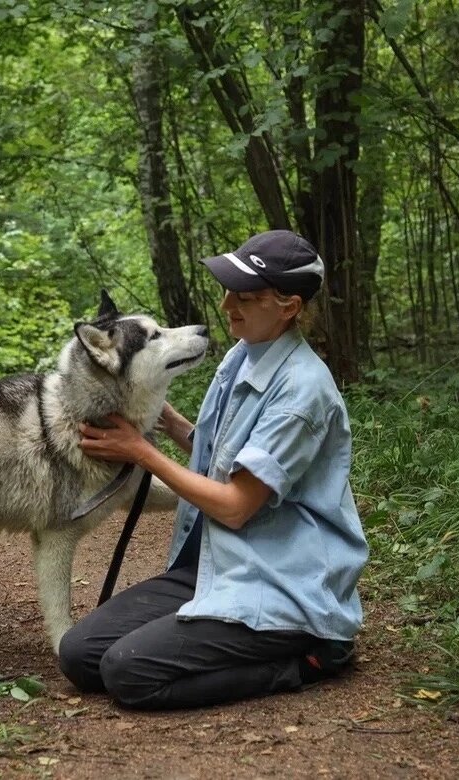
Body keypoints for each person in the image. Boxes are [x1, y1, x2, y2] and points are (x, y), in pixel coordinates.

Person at [58, 229, 369, 711]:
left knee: (128, 672)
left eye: (246, 297)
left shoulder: (302, 392)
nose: (227, 306)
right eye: (228, 291)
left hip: (279, 584)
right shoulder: (243, 354)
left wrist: (141, 450)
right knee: (79, 656)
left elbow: (236, 506)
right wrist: (154, 412)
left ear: (288, 306)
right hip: (218, 564)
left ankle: (309, 659)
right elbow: (218, 452)